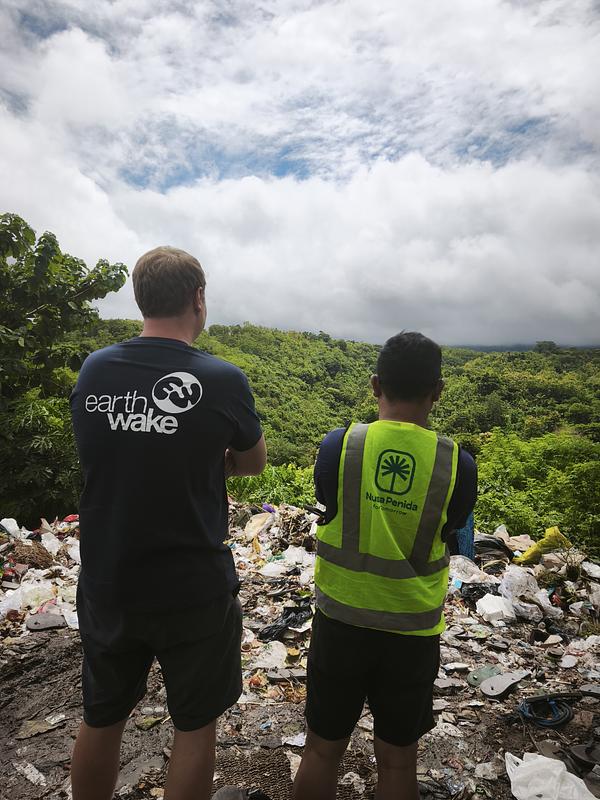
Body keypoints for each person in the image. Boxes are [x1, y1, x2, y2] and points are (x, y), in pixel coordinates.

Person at [69, 246, 266, 800]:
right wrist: (208, 454)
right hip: (193, 588)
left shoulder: (96, 368)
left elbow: (103, 449)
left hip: (111, 582)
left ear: (140, 299)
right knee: (194, 729)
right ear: (198, 300)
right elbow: (252, 463)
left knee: (102, 716)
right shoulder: (222, 379)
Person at [293, 332, 477, 800]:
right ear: (437, 391)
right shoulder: (457, 463)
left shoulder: (339, 447)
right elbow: (453, 533)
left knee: (319, 752)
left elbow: (329, 505)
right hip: (411, 634)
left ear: (375, 385)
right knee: (398, 759)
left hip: (341, 622)